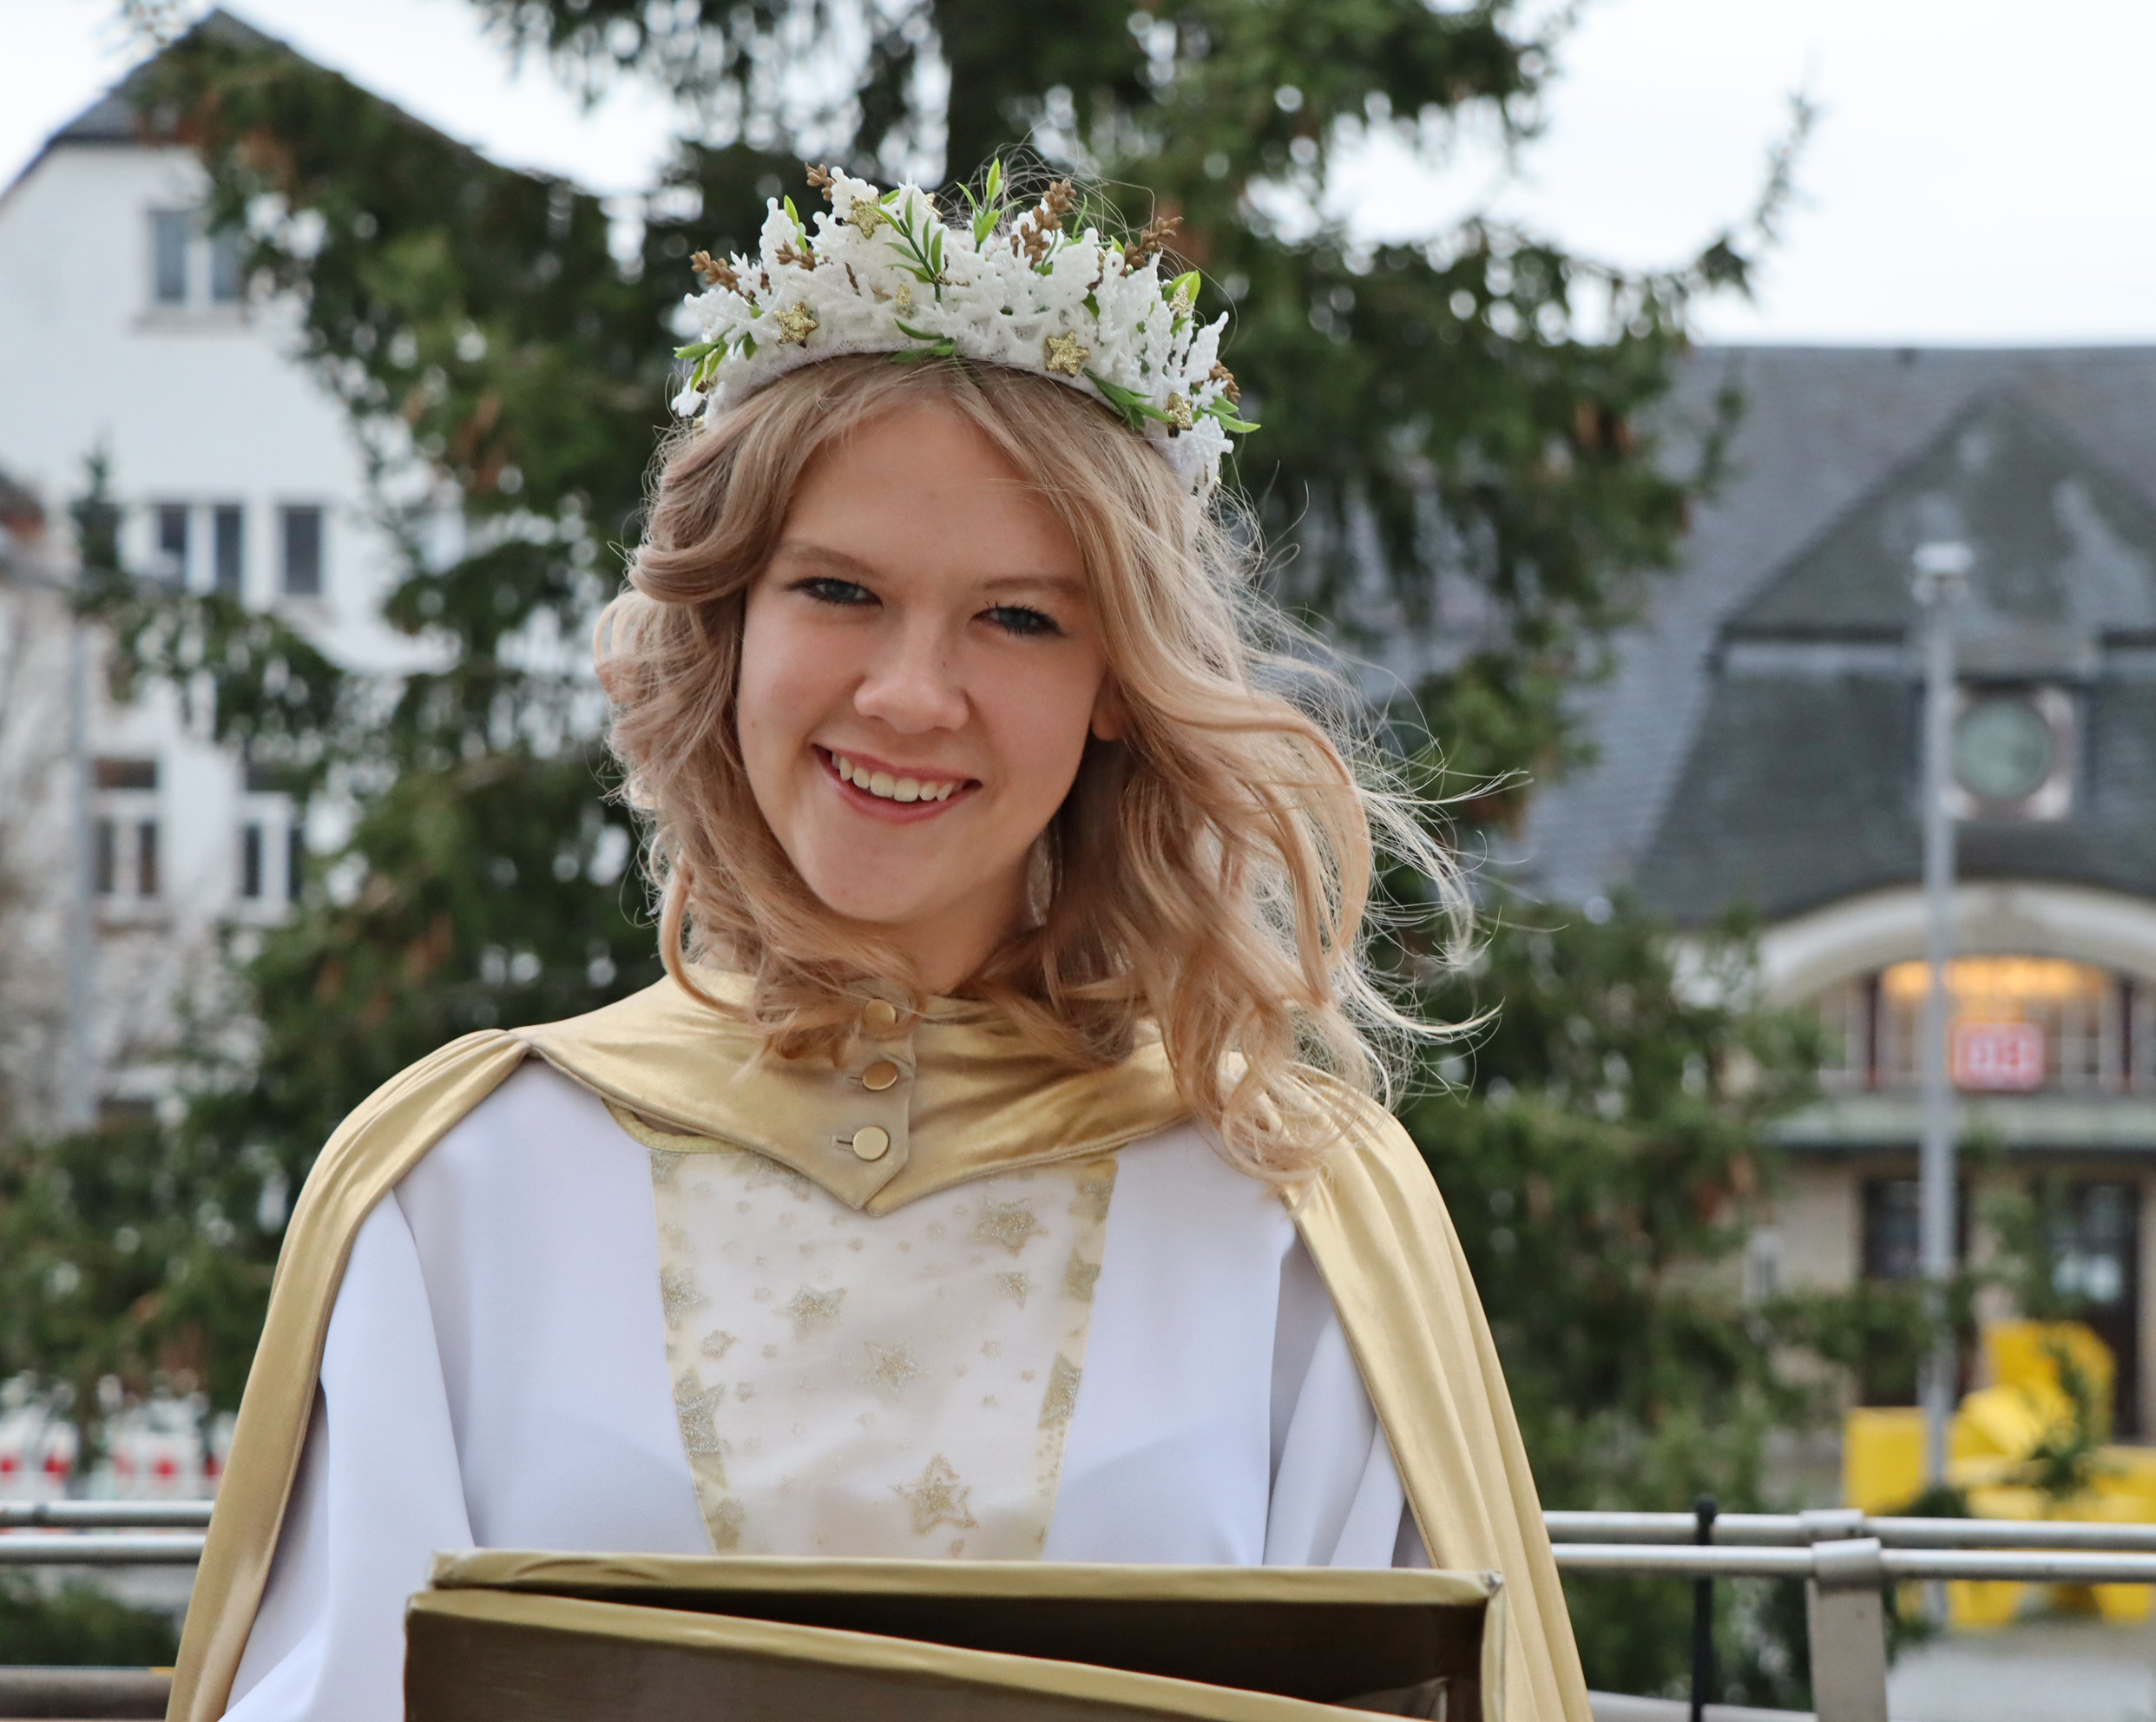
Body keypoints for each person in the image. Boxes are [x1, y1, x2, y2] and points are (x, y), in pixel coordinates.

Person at [168, 170, 1586, 1722]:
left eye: (1019, 619)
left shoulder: (1295, 1212)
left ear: (1119, 681)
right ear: (730, 621)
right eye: (839, 591)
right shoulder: (452, 1188)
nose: (912, 695)